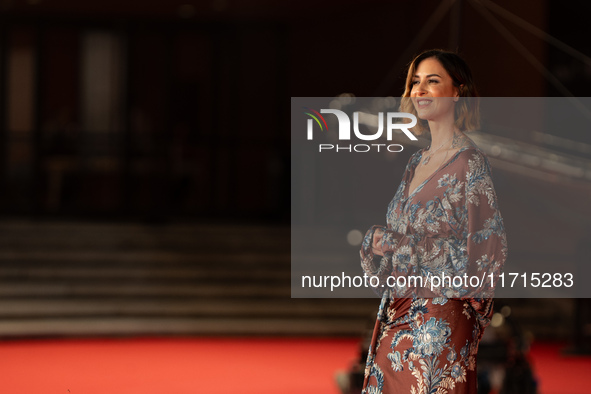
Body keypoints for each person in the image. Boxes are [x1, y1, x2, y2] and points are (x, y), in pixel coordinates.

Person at [360, 49, 507, 393]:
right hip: (398, 311)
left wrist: (403, 245)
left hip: (443, 317)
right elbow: (396, 245)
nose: (420, 90)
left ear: (457, 92)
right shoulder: (415, 162)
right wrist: (379, 242)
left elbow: (488, 250)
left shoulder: (470, 163)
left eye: (432, 81)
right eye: (415, 82)